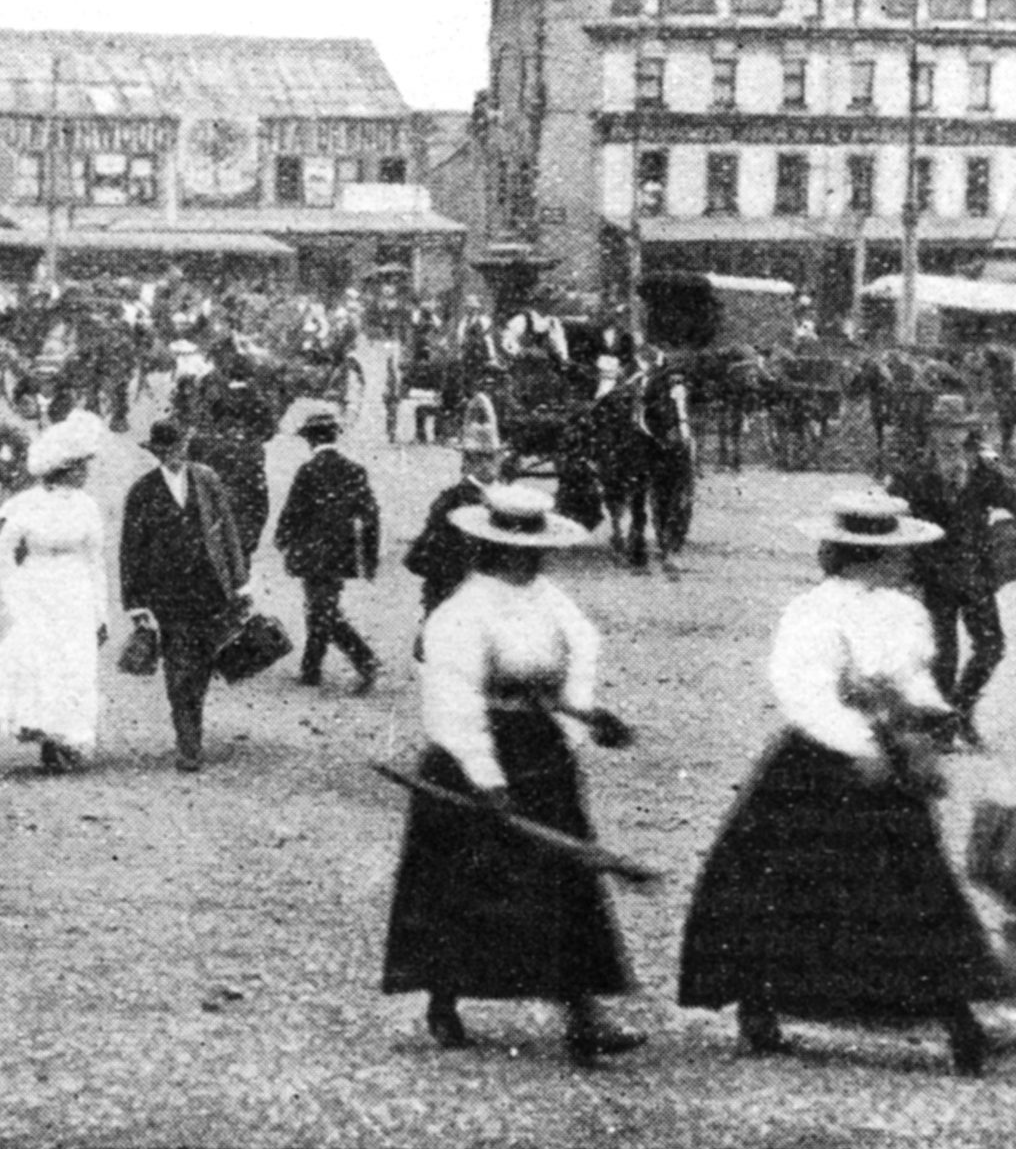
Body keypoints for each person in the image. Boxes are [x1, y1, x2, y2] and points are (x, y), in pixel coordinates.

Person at [677, 490, 1010, 1075]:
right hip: (823, 761)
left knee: (914, 891)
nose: (906, 561)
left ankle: (958, 1020)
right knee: (789, 887)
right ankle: (758, 1007)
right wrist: (861, 745)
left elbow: (911, 675)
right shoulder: (814, 610)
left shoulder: (905, 610)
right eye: (895, 552)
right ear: (865, 554)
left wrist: (929, 719)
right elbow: (803, 690)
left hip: (891, 754)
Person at [381, 482, 643, 1066]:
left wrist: (583, 716)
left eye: (538, 550)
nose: (536, 560)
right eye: (523, 551)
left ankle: (582, 1015)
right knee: (464, 886)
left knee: (563, 882)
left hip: (541, 752)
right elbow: (453, 697)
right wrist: (485, 774)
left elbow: (582, 648)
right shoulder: (463, 611)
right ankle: (443, 996)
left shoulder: (549, 598)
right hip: (474, 758)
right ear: (496, 549)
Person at [0, 411, 109, 774]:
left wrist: (101, 612)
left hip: (75, 591)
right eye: (81, 466)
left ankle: (67, 737)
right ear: (67, 469)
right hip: (39, 590)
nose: (86, 473)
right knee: (42, 662)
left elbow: (96, 561)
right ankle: (48, 736)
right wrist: (17, 595)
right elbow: (1, 556)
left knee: (75, 664)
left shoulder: (87, 507)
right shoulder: (28, 504)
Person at [885, 398, 1016, 750]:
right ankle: (942, 731)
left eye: (956, 428)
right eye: (942, 427)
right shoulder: (912, 472)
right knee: (944, 656)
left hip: (976, 576)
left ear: (967, 431)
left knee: (991, 647)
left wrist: (1004, 546)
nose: (949, 436)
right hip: (932, 577)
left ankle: (961, 710)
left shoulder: (985, 471)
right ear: (931, 430)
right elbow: (889, 518)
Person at [120, 418, 250, 773]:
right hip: (168, 595)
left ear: (186, 446)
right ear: (156, 453)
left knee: (204, 665)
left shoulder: (207, 480)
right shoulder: (142, 491)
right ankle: (188, 744)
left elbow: (228, 532)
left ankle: (193, 722)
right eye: (165, 452)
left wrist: (240, 583)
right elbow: (131, 550)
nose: (174, 457)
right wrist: (135, 604)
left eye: (178, 449)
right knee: (178, 669)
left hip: (210, 590)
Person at [274, 412, 380, 692]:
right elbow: (371, 517)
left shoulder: (308, 471)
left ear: (310, 440)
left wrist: (283, 539)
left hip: (312, 552)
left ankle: (364, 658)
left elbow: (292, 511)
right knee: (321, 607)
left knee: (321, 610)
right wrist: (369, 559)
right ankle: (311, 669)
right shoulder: (355, 470)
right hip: (341, 554)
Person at [404, 395, 503, 637]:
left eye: (491, 457)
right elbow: (424, 555)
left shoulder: (459, 500)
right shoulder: (454, 501)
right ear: (468, 462)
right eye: (482, 458)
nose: (489, 465)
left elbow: (420, 556)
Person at [188, 379, 277, 563]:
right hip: (239, 529)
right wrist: (251, 539)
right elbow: (260, 498)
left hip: (207, 530)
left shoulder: (199, 442)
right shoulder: (252, 446)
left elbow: (189, 488)